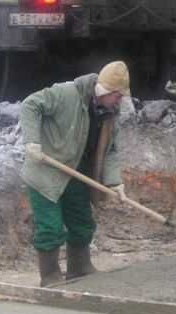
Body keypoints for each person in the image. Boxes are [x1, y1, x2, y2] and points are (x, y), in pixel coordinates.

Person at [19, 61, 130, 287]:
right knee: (50, 227)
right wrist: (32, 141)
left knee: (82, 222)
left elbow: (111, 150)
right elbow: (30, 105)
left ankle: (79, 267)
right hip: (46, 172)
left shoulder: (109, 114)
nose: (120, 101)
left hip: (76, 174)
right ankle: (50, 275)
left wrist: (114, 182)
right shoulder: (66, 94)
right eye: (118, 96)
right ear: (106, 91)